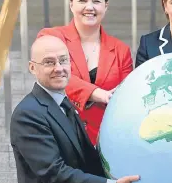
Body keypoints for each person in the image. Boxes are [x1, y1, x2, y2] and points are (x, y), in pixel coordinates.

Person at [10, 36, 140, 183]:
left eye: (63, 60)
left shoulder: (66, 104)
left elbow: (85, 158)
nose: (59, 68)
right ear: (32, 67)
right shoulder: (27, 114)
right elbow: (53, 173)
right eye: (49, 62)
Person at [37, 0, 133, 145]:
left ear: (106, 6)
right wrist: (99, 94)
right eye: (82, 0)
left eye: (96, 1)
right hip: (59, 138)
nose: (90, 7)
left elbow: (125, 98)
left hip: (103, 142)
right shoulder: (51, 37)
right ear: (71, 4)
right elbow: (56, 76)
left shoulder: (121, 51)